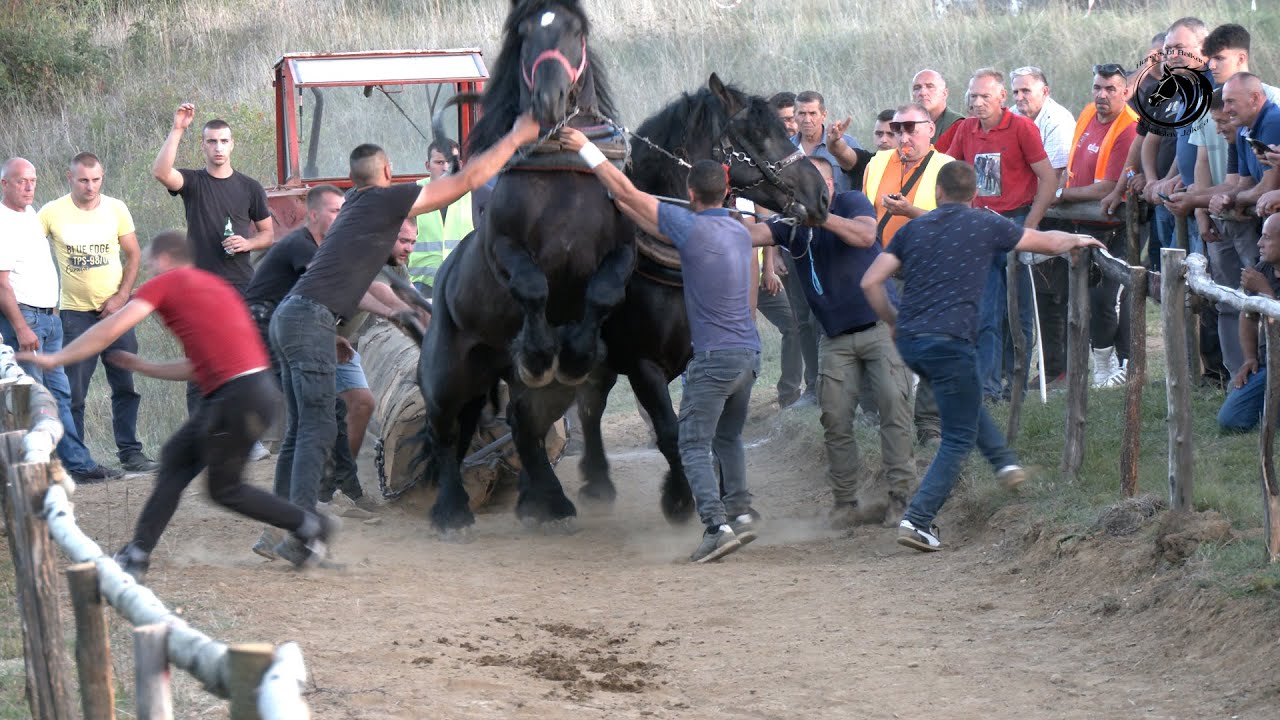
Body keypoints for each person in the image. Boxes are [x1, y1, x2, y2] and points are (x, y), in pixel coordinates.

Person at [269, 114, 541, 548]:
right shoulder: (384, 200)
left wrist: (401, 313)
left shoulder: (355, 207)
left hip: (293, 316)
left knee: (301, 429)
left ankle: (277, 529)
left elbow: (365, 283)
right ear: (389, 172)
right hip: (309, 319)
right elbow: (470, 177)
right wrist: (518, 136)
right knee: (316, 430)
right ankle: (298, 534)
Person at [18, 231, 337, 581]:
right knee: (175, 461)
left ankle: (310, 524)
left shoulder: (167, 283)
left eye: (152, 262)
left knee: (224, 488)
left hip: (235, 397)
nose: (151, 269)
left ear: (165, 259)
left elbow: (110, 328)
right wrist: (143, 366)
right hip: (253, 393)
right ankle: (137, 553)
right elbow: (199, 366)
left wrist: (58, 358)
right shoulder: (218, 288)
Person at [861, 161, 1104, 552]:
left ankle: (1005, 465)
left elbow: (871, 281)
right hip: (951, 340)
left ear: (938, 193)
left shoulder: (912, 229)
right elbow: (1044, 242)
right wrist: (1077, 241)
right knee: (957, 437)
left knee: (964, 401)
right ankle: (917, 519)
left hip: (911, 341)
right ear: (974, 195)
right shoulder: (985, 224)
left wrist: (892, 320)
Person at [563, 127, 760, 563]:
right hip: (750, 356)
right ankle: (742, 511)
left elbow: (628, 195)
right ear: (726, 191)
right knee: (728, 437)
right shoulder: (739, 232)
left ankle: (716, 527)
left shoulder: (689, 229)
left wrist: (586, 148)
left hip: (713, 361)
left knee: (690, 443)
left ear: (690, 193)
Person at [752, 157, 916, 528]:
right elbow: (751, 236)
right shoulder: (789, 222)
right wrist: (718, 216)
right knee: (835, 419)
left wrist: (818, 216)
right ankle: (845, 504)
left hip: (879, 328)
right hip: (835, 338)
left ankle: (902, 500)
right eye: (796, 185)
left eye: (812, 183)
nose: (803, 190)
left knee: (894, 409)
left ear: (829, 183)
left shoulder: (852, 201)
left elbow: (865, 236)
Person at [151, 102, 276, 434]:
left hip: (241, 284)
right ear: (203, 145)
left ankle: (246, 433)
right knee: (201, 361)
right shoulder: (194, 183)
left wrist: (247, 243)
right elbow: (162, 173)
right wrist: (178, 128)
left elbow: (268, 233)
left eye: (223, 141)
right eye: (211, 141)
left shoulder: (250, 187)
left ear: (232, 144)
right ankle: (203, 432)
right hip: (201, 286)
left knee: (245, 357)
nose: (218, 147)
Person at [940, 68, 1057, 402]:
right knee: (986, 309)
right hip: (978, 225)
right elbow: (945, 171)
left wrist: (1030, 226)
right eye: (972, 97)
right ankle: (989, 387)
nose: (977, 103)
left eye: (985, 97)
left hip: (1013, 220)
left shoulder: (1022, 127)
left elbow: (1048, 178)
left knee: (1017, 310)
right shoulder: (965, 129)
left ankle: (1015, 382)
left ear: (1002, 97)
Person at [0, 157, 118, 484]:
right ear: (4, 184)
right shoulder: (3, 221)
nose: (29, 186)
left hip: (49, 318)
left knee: (58, 395)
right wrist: (22, 328)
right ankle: (35, 474)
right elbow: (1, 282)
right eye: (21, 180)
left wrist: (48, 317)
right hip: (25, 319)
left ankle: (76, 465)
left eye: (33, 180)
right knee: (33, 399)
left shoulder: (31, 215)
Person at [39, 152, 158, 473]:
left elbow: (133, 256)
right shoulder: (51, 212)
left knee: (125, 384)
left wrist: (122, 296)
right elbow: (31, 253)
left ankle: (131, 451)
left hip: (117, 312)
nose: (90, 187)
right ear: (70, 178)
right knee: (73, 392)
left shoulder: (116, 208)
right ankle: (76, 460)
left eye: (96, 180)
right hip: (75, 315)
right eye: (83, 180)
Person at [862, 102, 955, 443]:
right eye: (897, 128)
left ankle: (929, 425)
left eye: (910, 127)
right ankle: (890, 419)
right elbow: (865, 213)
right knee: (884, 347)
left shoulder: (947, 167)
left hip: (928, 271)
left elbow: (954, 223)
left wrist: (910, 210)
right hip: (883, 269)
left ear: (930, 129)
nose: (903, 135)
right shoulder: (877, 163)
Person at [1053, 64, 1139, 388]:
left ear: (1125, 92)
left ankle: (1121, 364)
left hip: (1115, 226)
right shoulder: (1088, 112)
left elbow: (1106, 187)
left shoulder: (1129, 127)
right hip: (1080, 224)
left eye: (1110, 89)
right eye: (1097, 88)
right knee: (1085, 299)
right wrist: (1061, 188)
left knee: (1107, 297)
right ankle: (1104, 365)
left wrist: (1060, 195)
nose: (1102, 96)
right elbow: (1072, 166)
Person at [1011, 66, 1077, 385]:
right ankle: (1034, 366)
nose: (1020, 98)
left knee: (1051, 295)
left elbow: (1053, 175)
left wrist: (1031, 222)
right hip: (1022, 211)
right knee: (1030, 293)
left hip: (1048, 214)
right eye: (1016, 92)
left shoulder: (1057, 120)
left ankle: (1057, 369)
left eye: (1026, 91)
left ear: (1045, 92)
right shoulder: (1012, 116)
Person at [1218, 213, 1280, 433]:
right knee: (1230, 419)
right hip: (1269, 364)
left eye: (1267, 238)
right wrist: (1250, 358)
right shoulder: (1262, 270)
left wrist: (1266, 293)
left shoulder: (1261, 280)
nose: (1259, 243)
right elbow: (1247, 315)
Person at [409, 138, 477, 298]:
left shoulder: (473, 193)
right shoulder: (413, 192)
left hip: (463, 279)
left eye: (450, 162)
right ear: (427, 165)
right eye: (439, 162)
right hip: (422, 284)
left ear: (460, 164)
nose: (445, 167)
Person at [791, 90, 864, 194]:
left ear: (824, 115)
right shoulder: (786, 148)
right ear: (794, 115)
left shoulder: (845, 143)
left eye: (813, 114)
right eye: (802, 113)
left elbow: (862, 176)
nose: (807, 120)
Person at [912, 69, 966, 137]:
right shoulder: (907, 126)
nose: (922, 93)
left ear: (944, 93)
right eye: (917, 88)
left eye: (930, 87)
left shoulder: (958, 126)